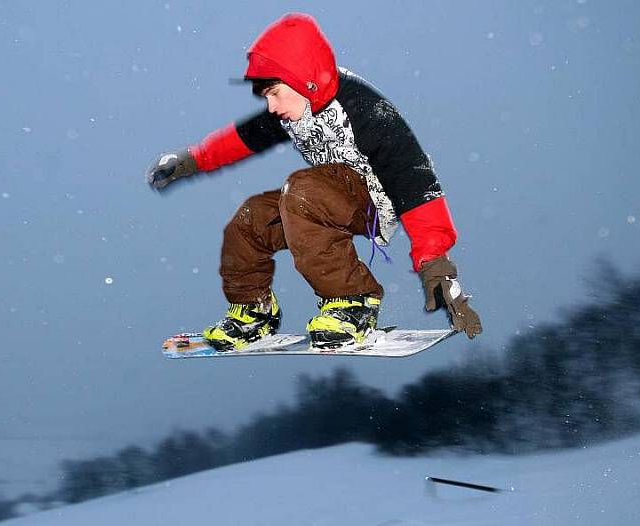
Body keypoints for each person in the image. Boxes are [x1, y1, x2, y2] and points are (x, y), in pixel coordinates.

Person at [146, 12, 482, 350]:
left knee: (301, 190)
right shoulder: (296, 103)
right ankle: (253, 310)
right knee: (253, 218)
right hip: (323, 197)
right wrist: (190, 160)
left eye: (275, 93)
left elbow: (416, 181)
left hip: (373, 199)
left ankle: (353, 302)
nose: (272, 106)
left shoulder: (367, 112)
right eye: (266, 97)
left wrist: (436, 265)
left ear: (304, 80)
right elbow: (242, 138)